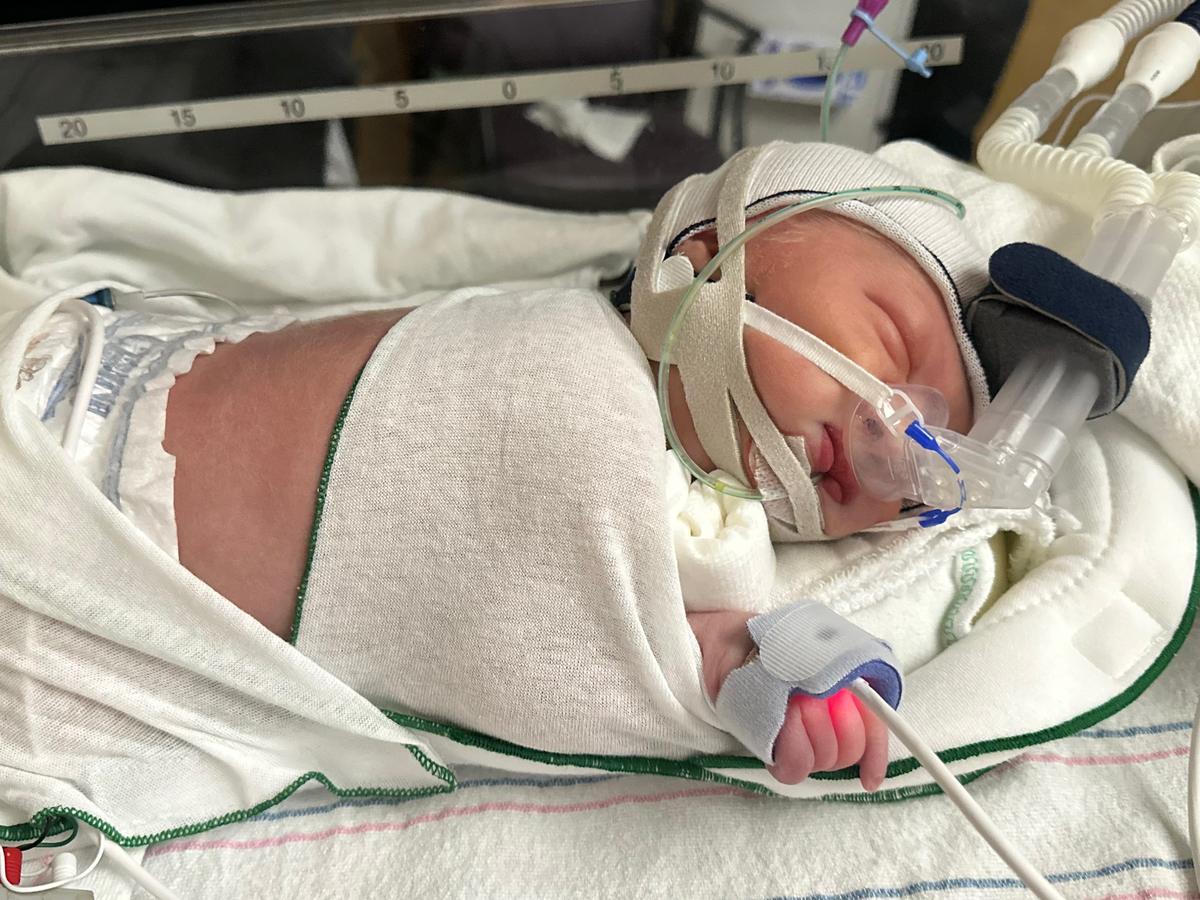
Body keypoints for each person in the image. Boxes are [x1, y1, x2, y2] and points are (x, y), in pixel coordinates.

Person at [14, 141, 991, 793]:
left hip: (85, 591)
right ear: (704, 254)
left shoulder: (704, 543)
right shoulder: (563, 339)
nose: (896, 435)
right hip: (79, 383)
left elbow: (631, 646)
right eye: (891, 341)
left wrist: (766, 669)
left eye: (922, 469)